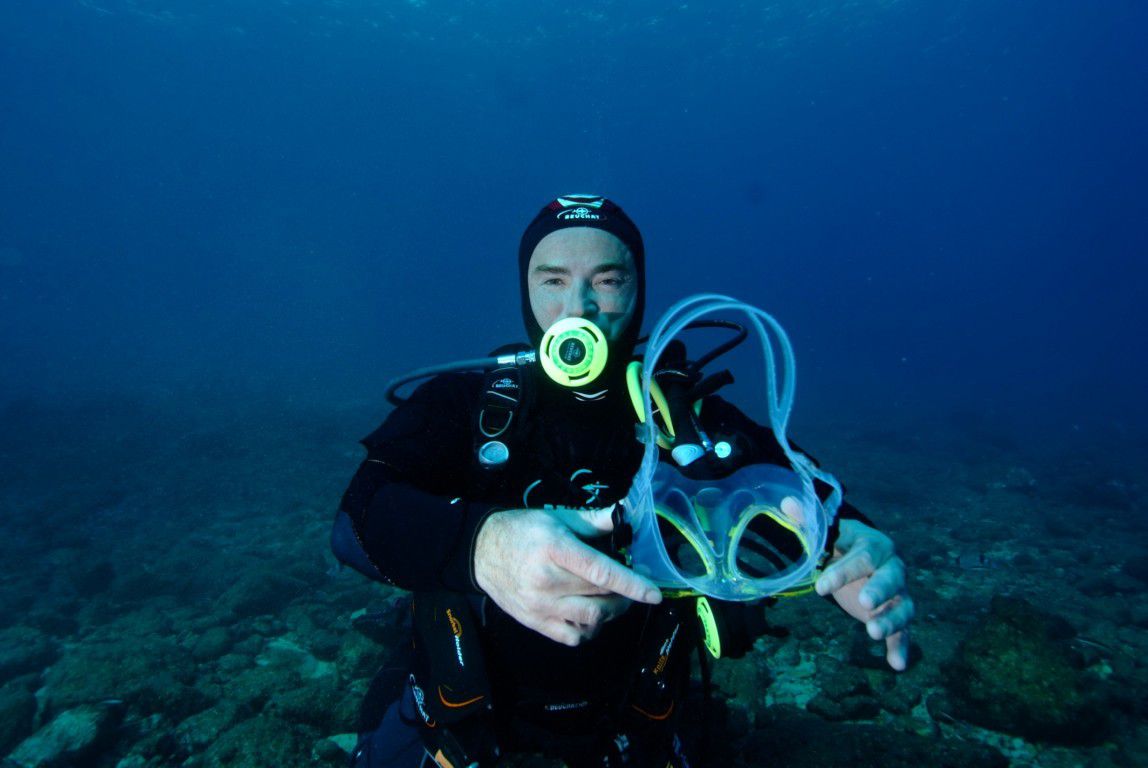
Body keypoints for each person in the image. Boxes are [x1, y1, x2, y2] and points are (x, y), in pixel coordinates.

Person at [332, 194, 915, 768]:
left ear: (638, 293)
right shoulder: (466, 404)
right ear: (525, 289)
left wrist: (848, 548)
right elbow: (358, 516)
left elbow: (799, 496)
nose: (578, 309)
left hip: (634, 717)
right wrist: (479, 544)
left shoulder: (683, 418)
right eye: (552, 281)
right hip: (459, 707)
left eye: (607, 281)